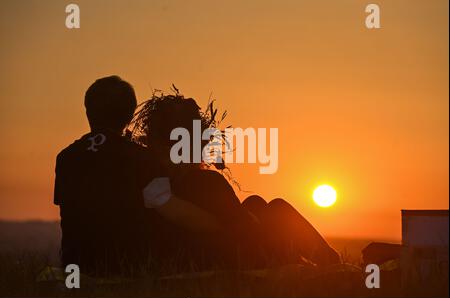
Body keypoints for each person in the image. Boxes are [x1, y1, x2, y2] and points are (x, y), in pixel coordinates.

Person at [131, 93, 341, 270]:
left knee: (255, 203)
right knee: (277, 209)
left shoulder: (150, 179)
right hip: (231, 259)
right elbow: (244, 231)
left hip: (192, 254)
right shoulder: (206, 183)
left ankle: (328, 262)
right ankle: (334, 265)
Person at [54, 76, 217, 277]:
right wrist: (222, 227)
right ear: (130, 115)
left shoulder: (66, 158)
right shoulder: (141, 159)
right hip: (127, 267)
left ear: (88, 112)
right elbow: (174, 212)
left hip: (77, 268)